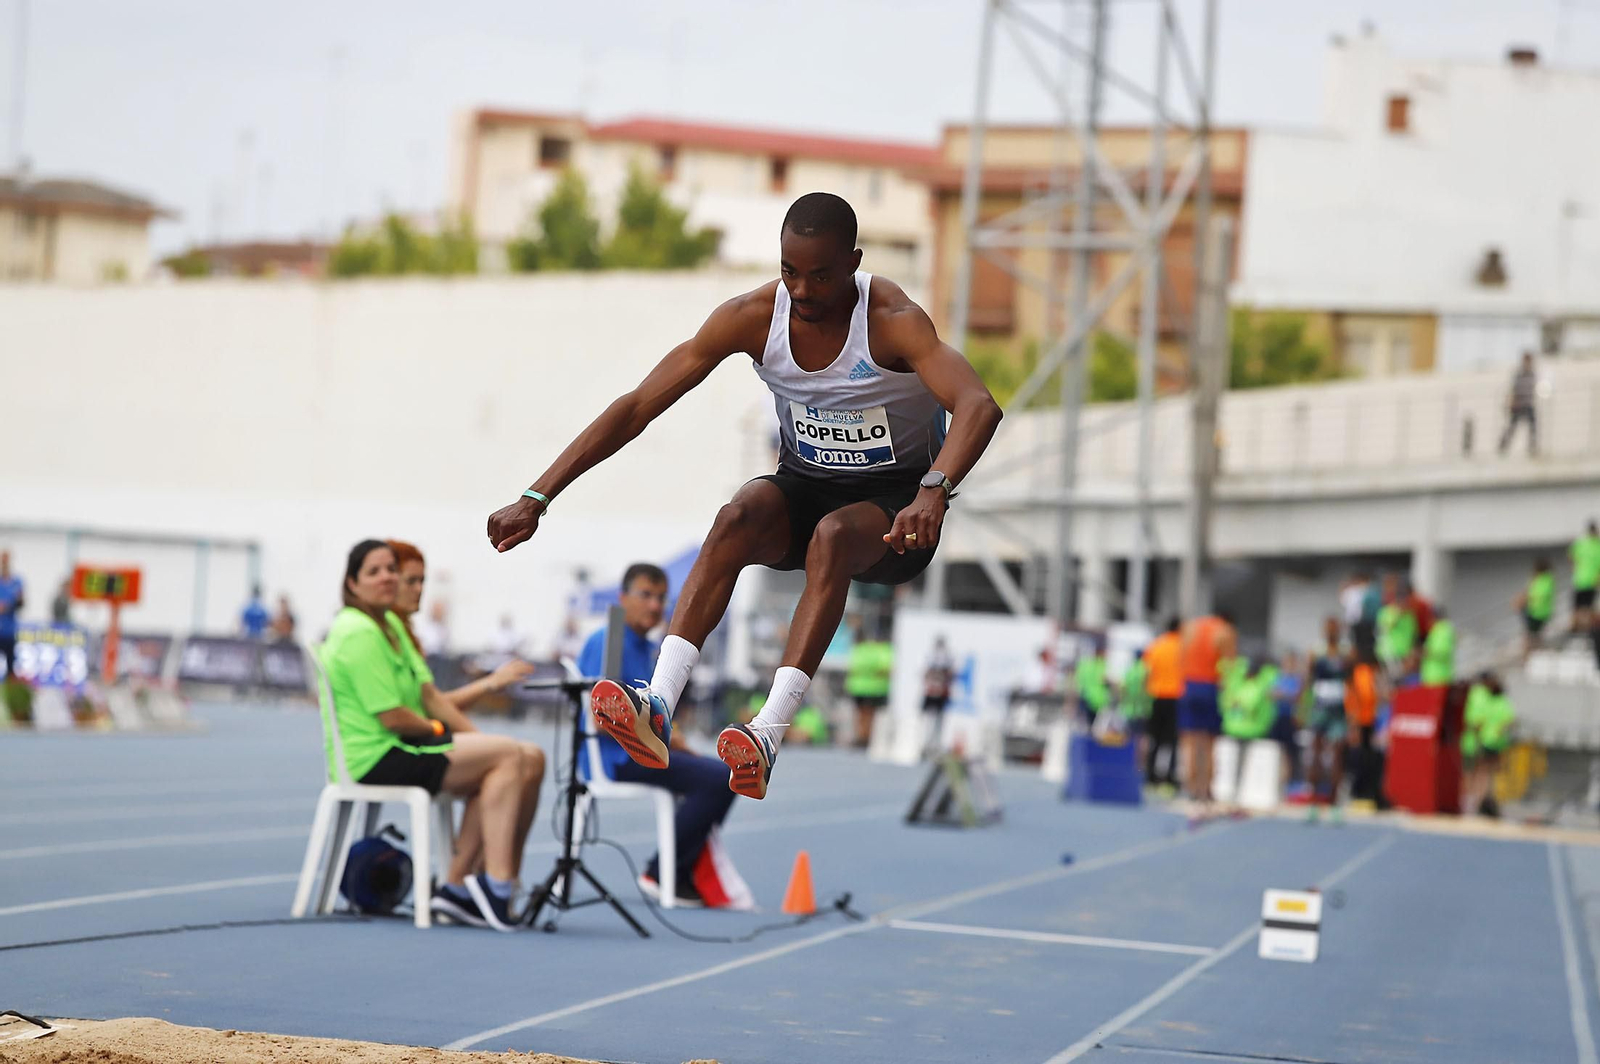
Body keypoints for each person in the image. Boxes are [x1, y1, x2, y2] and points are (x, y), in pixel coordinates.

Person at [487, 192, 1003, 799]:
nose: (802, 291)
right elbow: (637, 406)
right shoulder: (753, 317)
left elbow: (978, 404)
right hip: (805, 486)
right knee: (735, 516)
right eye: (789, 272)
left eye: (821, 276)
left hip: (894, 513)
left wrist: (934, 490)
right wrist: (538, 495)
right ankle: (657, 703)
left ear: (853, 262)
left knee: (834, 536)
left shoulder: (891, 319)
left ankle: (768, 733)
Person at [318, 540, 543, 931]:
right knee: (509, 755)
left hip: (402, 744)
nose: (389, 578)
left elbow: (430, 699)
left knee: (521, 756)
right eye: (375, 572)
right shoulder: (359, 632)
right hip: (379, 756)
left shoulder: (388, 626)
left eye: (392, 570)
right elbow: (394, 716)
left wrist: (478, 740)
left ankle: (466, 886)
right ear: (352, 583)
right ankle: (493, 885)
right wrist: (450, 730)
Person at [577, 563, 737, 907]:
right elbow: (601, 718)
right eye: (646, 595)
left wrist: (672, 740)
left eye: (661, 598)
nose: (655, 605)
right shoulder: (609, 642)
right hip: (616, 757)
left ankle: (675, 868)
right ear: (623, 598)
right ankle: (665, 872)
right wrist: (674, 741)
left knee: (721, 776)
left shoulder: (649, 648)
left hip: (642, 750)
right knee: (719, 779)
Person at [1178, 611, 1237, 803]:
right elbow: (1230, 665)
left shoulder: (1190, 628)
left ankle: (1191, 787)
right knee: (1210, 742)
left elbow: (1181, 658)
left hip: (1189, 685)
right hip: (1210, 685)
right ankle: (1207, 789)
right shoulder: (1224, 631)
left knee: (1190, 741)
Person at [1306, 617, 1349, 809]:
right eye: (1328, 629)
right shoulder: (1316, 652)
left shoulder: (1346, 653)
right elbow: (1308, 680)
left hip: (1338, 708)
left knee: (1337, 755)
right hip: (1320, 706)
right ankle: (1314, 798)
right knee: (1316, 753)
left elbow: (1351, 683)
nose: (1331, 632)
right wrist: (1302, 708)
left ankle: (1334, 800)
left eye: (1334, 629)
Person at [1462, 672, 1514, 817]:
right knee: (1477, 772)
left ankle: (1473, 802)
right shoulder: (1484, 696)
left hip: (1486, 741)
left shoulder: (1487, 697)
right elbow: (1477, 720)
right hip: (1482, 740)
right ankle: (1472, 802)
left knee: (1480, 772)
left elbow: (1506, 720)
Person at [1142, 618, 1183, 788]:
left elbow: (1146, 670)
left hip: (1157, 696)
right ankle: (1170, 776)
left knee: (1155, 738)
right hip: (1176, 696)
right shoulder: (1183, 647)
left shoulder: (1156, 645)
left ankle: (1150, 775)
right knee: (1172, 740)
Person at [845, 621, 894, 748]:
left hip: (864, 688)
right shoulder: (883, 650)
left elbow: (854, 667)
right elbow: (885, 669)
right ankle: (864, 737)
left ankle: (864, 737)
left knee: (864, 714)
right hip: (873, 688)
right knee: (867, 714)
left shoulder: (860, 649)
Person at [1343, 650, 1384, 804]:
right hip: (1361, 721)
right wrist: (1353, 721)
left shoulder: (1366, 672)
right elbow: (1357, 697)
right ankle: (1357, 792)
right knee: (1358, 758)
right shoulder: (1361, 672)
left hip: (1367, 721)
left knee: (1366, 757)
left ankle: (1364, 793)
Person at [1497, 350, 1539, 456]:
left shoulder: (1532, 374)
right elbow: (1513, 389)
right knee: (1512, 427)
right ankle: (1503, 446)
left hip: (1528, 404)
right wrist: (1511, 402)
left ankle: (1532, 447)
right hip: (1518, 405)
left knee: (1532, 426)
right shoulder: (1519, 374)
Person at [1376, 575, 1417, 679]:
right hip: (1389, 654)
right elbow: (1385, 627)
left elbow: (1412, 635)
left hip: (1405, 654)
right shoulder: (1386, 612)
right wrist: (1397, 613)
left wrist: (1411, 652)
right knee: (1391, 680)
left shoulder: (1409, 616)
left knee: (1403, 681)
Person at [921, 636, 955, 752]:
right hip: (932, 692)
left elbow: (950, 674)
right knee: (929, 718)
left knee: (939, 718)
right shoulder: (931, 656)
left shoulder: (947, 657)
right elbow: (926, 674)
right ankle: (927, 742)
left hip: (941, 692)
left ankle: (936, 743)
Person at [1517, 557, 1555, 660]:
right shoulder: (1548, 579)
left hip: (1536, 612)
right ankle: (1533, 654)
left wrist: (1521, 601)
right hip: (1542, 612)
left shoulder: (1541, 580)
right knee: (1534, 635)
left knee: (1530, 636)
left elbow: (1534, 595)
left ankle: (1528, 656)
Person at [1570, 521, 1600, 641]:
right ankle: (1588, 630)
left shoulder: (1581, 543)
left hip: (1580, 580)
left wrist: (1576, 567)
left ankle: (1576, 630)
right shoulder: (1598, 545)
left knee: (1577, 607)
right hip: (1592, 581)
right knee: (1588, 607)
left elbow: (1571, 556)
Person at [1074, 645, 1110, 728]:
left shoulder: (1085, 664)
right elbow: (1105, 680)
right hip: (1096, 700)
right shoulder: (1101, 665)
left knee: (1085, 724)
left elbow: (1079, 681)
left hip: (1085, 697)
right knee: (1093, 725)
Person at [1419, 606, 1455, 686]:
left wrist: (1426, 652)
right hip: (1434, 678)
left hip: (1439, 678)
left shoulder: (1443, 631)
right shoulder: (1436, 631)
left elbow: (1443, 653)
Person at [0, 552, 22, 679]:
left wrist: (8, 605)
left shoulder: (16, 582)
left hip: (9, 631)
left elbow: (20, 602)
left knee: (10, 665)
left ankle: (9, 683)